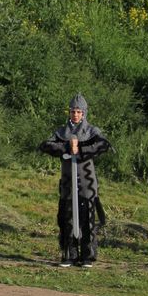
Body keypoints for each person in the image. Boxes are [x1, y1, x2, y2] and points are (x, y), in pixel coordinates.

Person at [39, 94, 112, 268]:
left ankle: (87, 256)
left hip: (87, 182)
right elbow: (45, 145)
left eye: (79, 112)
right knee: (67, 218)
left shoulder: (92, 132)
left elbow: (103, 145)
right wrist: (65, 146)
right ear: (69, 112)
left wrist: (79, 149)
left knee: (87, 217)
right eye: (73, 111)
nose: (76, 115)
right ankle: (69, 255)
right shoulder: (61, 132)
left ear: (84, 113)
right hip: (67, 182)